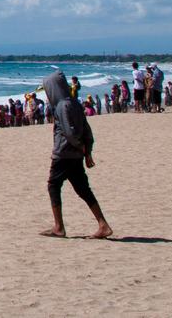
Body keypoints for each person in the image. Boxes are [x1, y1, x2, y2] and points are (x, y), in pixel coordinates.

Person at [40, 70, 111, 239]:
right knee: (83, 189)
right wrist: (87, 151)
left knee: (53, 186)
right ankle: (103, 224)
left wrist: (81, 148)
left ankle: (59, 227)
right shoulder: (74, 103)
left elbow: (68, 132)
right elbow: (87, 130)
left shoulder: (62, 106)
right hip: (76, 155)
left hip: (64, 154)